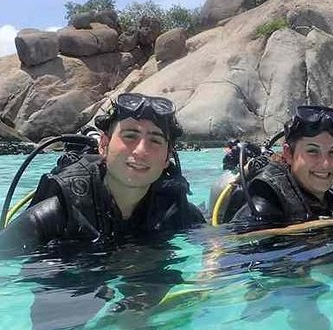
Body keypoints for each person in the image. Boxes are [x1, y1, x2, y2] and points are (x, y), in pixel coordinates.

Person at [0, 91, 205, 251]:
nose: (141, 151)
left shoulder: (176, 210)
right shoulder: (58, 214)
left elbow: (216, 246)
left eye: (155, 140)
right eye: (130, 136)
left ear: (167, 157)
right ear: (103, 145)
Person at [228, 105, 333, 227]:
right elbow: (235, 240)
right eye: (312, 151)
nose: (325, 164)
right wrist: (314, 225)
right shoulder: (265, 200)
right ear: (288, 154)